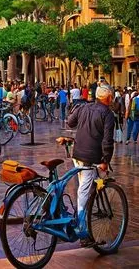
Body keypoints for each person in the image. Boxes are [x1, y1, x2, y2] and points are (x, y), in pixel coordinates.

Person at [67, 85, 114, 243]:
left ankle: (83, 217)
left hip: (77, 153)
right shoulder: (107, 114)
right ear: (107, 98)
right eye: (111, 97)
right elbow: (107, 141)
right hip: (91, 158)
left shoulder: (84, 107)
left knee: (85, 186)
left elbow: (70, 123)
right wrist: (106, 161)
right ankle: (82, 231)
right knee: (83, 192)